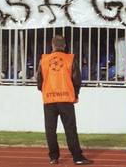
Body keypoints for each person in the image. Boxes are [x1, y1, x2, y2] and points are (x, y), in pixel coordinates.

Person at [36, 35, 93, 165]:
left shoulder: (44, 60)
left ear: (52, 45)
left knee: (50, 130)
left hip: (49, 99)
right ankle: (77, 157)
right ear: (64, 45)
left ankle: (53, 157)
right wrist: (75, 94)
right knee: (70, 129)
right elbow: (77, 79)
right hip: (65, 98)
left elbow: (39, 80)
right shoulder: (69, 59)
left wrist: (45, 90)